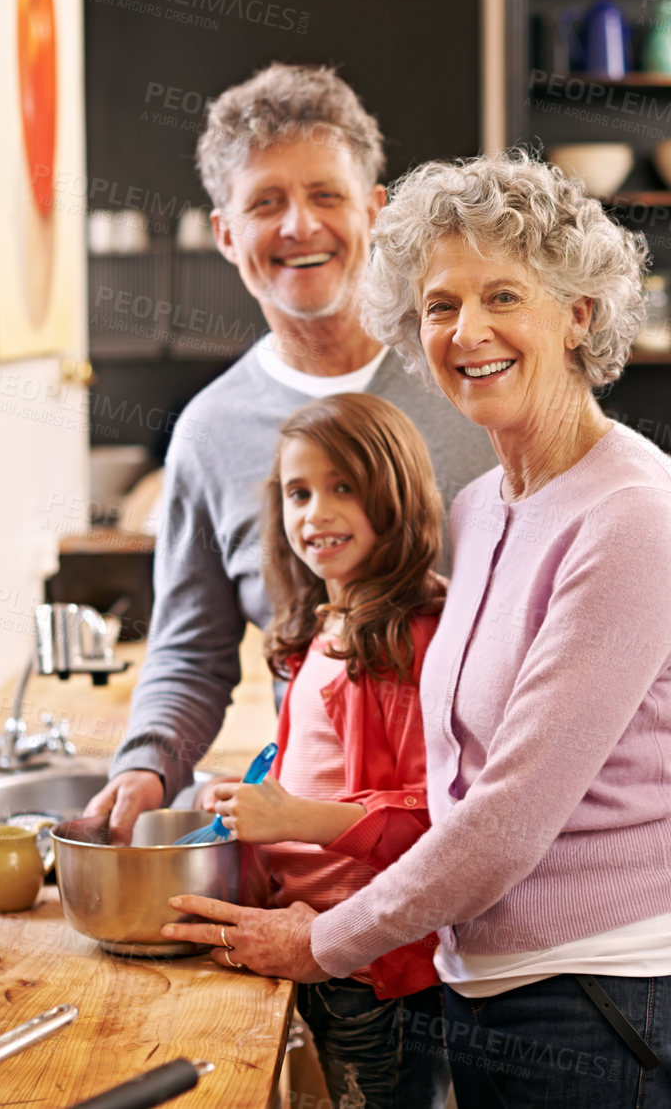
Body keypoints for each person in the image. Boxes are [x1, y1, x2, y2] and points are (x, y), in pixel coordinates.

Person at [163, 152, 671, 1108]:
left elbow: (504, 822)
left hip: (605, 988)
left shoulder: (632, 513)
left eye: (503, 296)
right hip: (485, 973)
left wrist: (321, 941)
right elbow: (450, 764)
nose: (466, 333)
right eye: (438, 306)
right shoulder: (478, 507)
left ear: (578, 313)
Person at [85, 64, 495, 842]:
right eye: (265, 202)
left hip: (485, 845)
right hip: (323, 855)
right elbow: (190, 651)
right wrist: (144, 764)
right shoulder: (208, 434)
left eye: (326, 195)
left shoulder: (470, 382)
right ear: (225, 232)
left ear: (374, 210)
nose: (298, 226)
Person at [205, 392, 448, 1108]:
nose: (316, 513)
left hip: (372, 966)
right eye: (298, 491)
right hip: (316, 945)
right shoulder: (332, 620)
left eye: (343, 487)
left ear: (395, 494)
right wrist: (255, 791)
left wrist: (293, 819)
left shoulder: (404, 638)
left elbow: (436, 821)